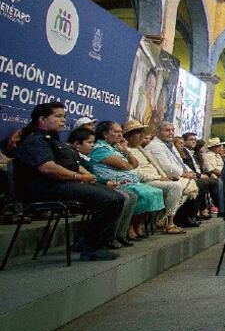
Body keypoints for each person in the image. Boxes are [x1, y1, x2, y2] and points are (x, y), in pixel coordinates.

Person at [13, 102, 124, 261]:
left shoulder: (53, 140)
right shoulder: (35, 141)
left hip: (61, 184)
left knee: (117, 197)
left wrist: (87, 177)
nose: (63, 120)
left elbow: (73, 164)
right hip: (45, 188)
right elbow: (47, 168)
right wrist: (79, 177)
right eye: (58, 116)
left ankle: (84, 241)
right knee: (110, 200)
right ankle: (91, 248)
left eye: (64, 116)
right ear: (42, 119)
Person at [86, 121, 166, 243]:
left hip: (128, 181)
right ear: (105, 134)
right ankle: (117, 234)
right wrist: (128, 164)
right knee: (132, 196)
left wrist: (126, 151)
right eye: (116, 132)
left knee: (153, 192)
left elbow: (134, 164)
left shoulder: (116, 148)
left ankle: (124, 232)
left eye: (120, 132)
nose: (120, 135)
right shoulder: (100, 148)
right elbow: (125, 166)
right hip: (109, 183)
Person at [123, 120, 186, 234]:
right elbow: (135, 171)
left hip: (156, 178)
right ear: (129, 136)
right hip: (143, 181)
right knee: (175, 187)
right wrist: (156, 178)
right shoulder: (126, 150)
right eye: (138, 133)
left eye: (142, 132)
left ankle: (164, 220)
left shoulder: (140, 148)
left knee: (182, 185)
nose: (142, 135)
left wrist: (163, 176)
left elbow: (155, 166)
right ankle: (168, 222)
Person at [144, 121, 201, 228]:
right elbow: (167, 167)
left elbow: (180, 163)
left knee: (192, 183)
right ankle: (166, 219)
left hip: (175, 175)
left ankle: (167, 218)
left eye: (172, 130)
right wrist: (184, 174)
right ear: (158, 132)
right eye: (167, 130)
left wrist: (189, 172)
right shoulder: (155, 146)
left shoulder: (170, 145)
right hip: (163, 176)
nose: (171, 133)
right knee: (188, 185)